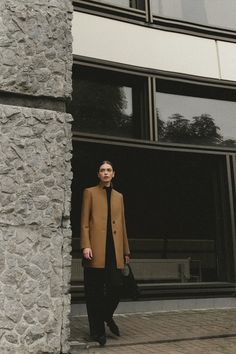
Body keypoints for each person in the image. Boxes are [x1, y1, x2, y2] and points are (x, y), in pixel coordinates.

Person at [80, 160, 130, 346]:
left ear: (113, 174)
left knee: (117, 286)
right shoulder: (89, 193)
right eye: (102, 170)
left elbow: (123, 224)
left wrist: (125, 249)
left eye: (109, 170)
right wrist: (86, 245)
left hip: (114, 250)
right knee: (94, 293)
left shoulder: (119, 196)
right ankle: (97, 332)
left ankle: (106, 316)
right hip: (94, 250)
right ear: (98, 174)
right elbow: (84, 222)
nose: (106, 173)